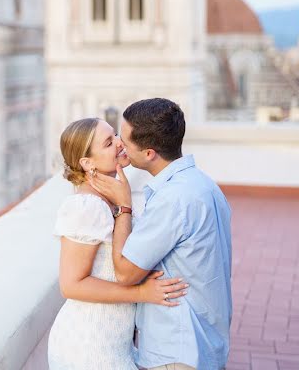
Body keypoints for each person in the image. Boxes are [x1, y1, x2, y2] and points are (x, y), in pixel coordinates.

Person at [89, 98, 233, 370]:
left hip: (177, 351)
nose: (119, 143)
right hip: (205, 343)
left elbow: (126, 273)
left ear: (149, 153)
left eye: (125, 140)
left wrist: (124, 206)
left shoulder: (173, 199)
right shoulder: (204, 184)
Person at [48, 117, 188, 370]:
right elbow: (71, 285)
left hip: (112, 342)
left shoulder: (110, 200)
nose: (120, 143)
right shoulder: (86, 207)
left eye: (115, 135)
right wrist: (142, 293)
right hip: (87, 347)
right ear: (87, 163)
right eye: (108, 142)